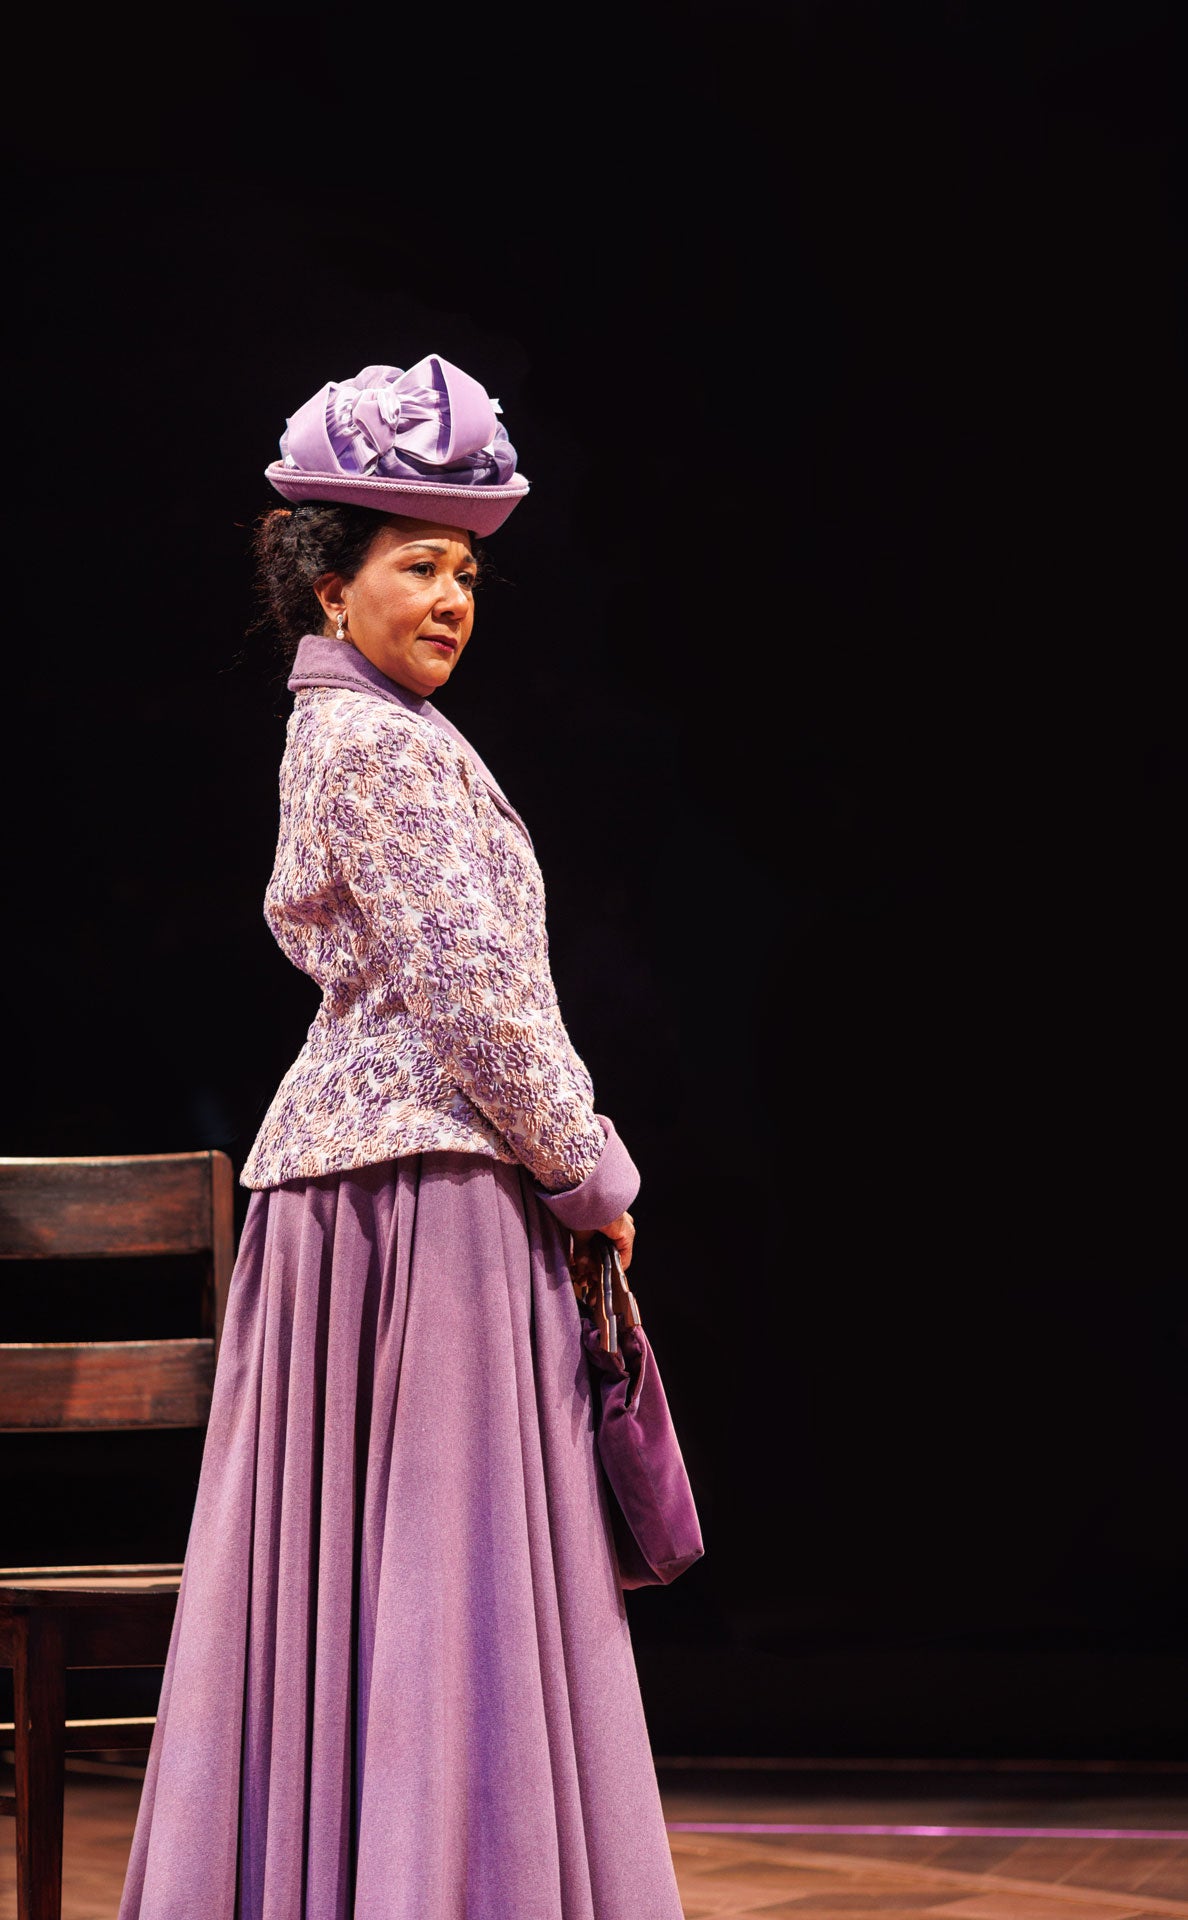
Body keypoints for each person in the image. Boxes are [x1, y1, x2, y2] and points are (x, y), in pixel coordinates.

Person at [117, 356, 687, 1919]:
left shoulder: (356, 734)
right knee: (448, 1586)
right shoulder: (383, 748)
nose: (451, 598)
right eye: (418, 565)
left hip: (360, 1195)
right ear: (327, 585)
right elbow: (478, 996)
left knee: (383, 1585)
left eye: (465, 572)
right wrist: (589, 1173)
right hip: (418, 1200)